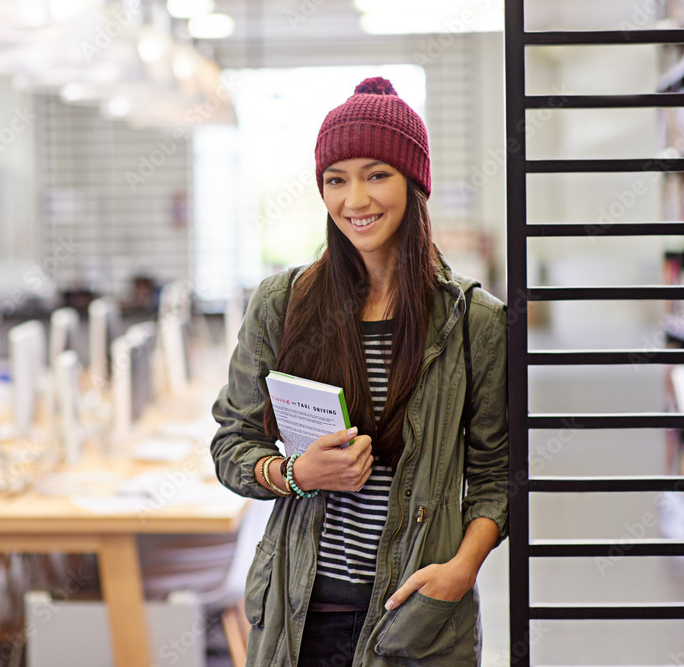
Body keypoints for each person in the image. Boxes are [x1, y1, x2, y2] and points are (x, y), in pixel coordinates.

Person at [210, 77, 508, 666]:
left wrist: (460, 569)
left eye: (377, 175)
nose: (355, 200)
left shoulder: (473, 320)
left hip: (416, 615)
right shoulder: (282, 303)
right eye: (335, 179)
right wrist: (297, 472)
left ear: (413, 183)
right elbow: (230, 445)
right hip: (300, 614)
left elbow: (497, 477)